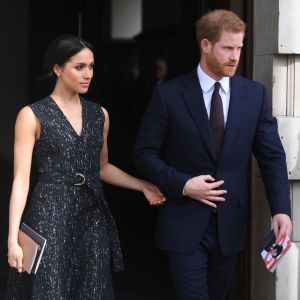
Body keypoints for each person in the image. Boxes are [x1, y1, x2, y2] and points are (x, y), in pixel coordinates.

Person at [132, 9, 292, 300]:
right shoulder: (169, 95)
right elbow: (143, 154)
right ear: (205, 45)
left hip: (230, 227)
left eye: (239, 48)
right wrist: (182, 184)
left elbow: (272, 157)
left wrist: (281, 208)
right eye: (227, 48)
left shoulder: (254, 95)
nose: (235, 56)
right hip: (183, 225)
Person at [6, 34, 165, 300]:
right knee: (50, 290)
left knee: (93, 290)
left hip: (92, 218)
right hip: (49, 217)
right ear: (57, 68)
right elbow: (21, 180)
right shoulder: (31, 115)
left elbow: (101, 167)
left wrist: (142, 185)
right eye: (79, 67)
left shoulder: (99, 114)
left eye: (91, 67)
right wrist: (12, 238)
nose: (88, 74)